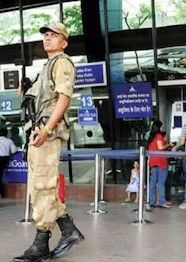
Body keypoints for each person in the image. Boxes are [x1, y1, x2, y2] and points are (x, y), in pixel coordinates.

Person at [13, 22, 84, 262]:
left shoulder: (62, 62)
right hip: (38, 133)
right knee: (40, 187)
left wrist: (47, 129)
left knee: (43, 186)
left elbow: (64, 98)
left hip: (46, 133)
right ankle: (68, 229)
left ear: (64, 42)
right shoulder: (47, 67)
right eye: (46, 35)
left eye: (54, 35)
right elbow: (41, 100)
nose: (48, 38)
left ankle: (41, 243)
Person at [148, 120, 173, 209]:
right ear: (158, 127)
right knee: (161, 182)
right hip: (161, 161)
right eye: (161, 126)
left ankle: (151, 201)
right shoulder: (158, 136)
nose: (162, 128)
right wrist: (168, 145)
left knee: (153, 182)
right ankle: (162, 202)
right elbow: (160, 148)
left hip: (153, 161)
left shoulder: (151, 136)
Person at [0, 127, 17, 197]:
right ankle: (2, 192)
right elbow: (14, 151)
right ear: (6, 134)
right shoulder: (9, 141)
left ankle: (2, 192)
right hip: (5, 159)